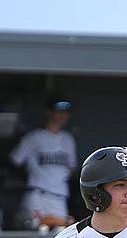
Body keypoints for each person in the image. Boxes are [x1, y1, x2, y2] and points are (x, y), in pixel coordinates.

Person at [10, 95, 77, 229]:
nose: (63, 115)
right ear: (49, 112)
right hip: (37, 195)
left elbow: (72, 169)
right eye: (59, 110)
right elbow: (14, 162)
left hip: (59, 198)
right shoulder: (34, 137)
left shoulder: (68, 140)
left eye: (65, 111)